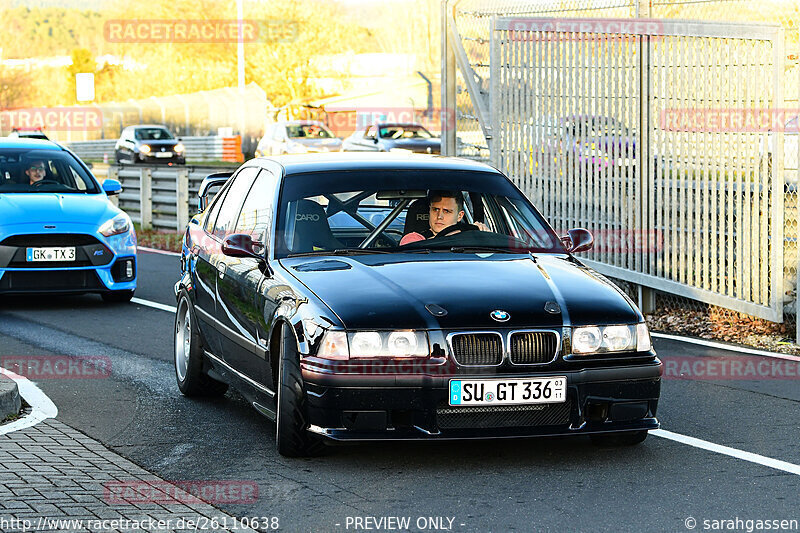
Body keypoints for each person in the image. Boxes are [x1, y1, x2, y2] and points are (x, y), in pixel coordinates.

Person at [400, 191, 487, 245]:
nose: (439, 216)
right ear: (429, 211)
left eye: (446, 211)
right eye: (435, 209)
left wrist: (483, 236)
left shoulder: (471, 237)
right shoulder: (414, 239)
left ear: (460, 216)